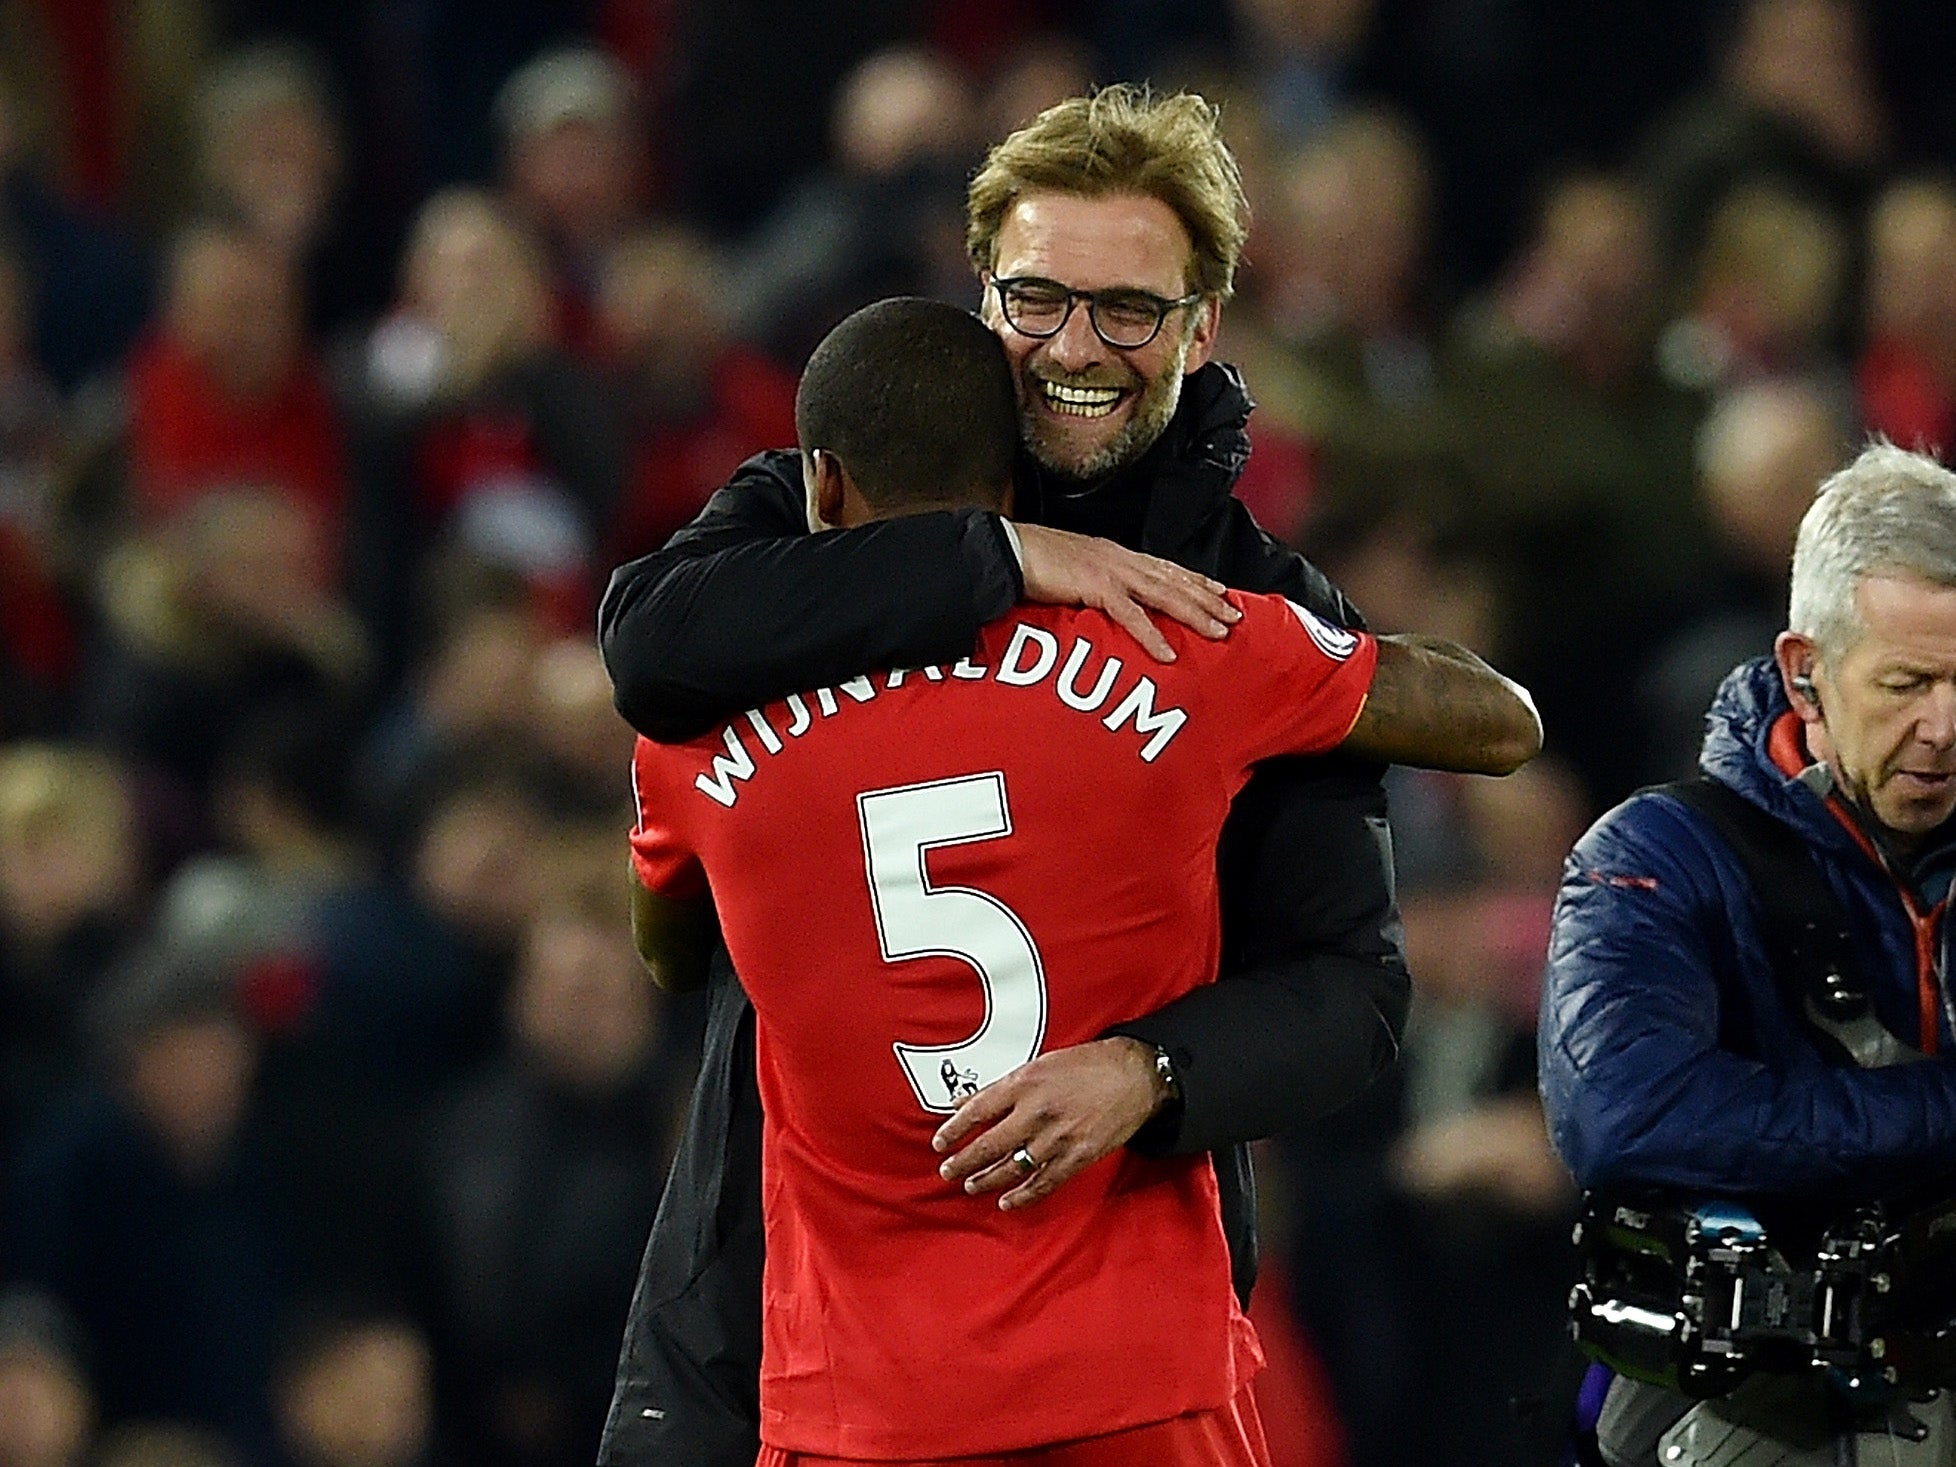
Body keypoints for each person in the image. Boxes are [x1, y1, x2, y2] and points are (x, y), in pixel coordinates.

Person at [597, 86, 1542, 1466]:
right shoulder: (825, 496)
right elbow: (645, 638)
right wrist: (999, 557)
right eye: (1038, 297)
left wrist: (1149, 1069)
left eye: (1129, 310)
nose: (1075, 347)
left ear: (1203, 325)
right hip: (752, 1313)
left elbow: (1353, 990)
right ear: (983, 294)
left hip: (1091, 1316)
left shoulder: (1239, 602)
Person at [1538, 441, 1956, 1464]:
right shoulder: (1660, 857)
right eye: (1906, 684)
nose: (1945, 727)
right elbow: (1626, 1113)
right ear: (1804, 674)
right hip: (1766, 1410)